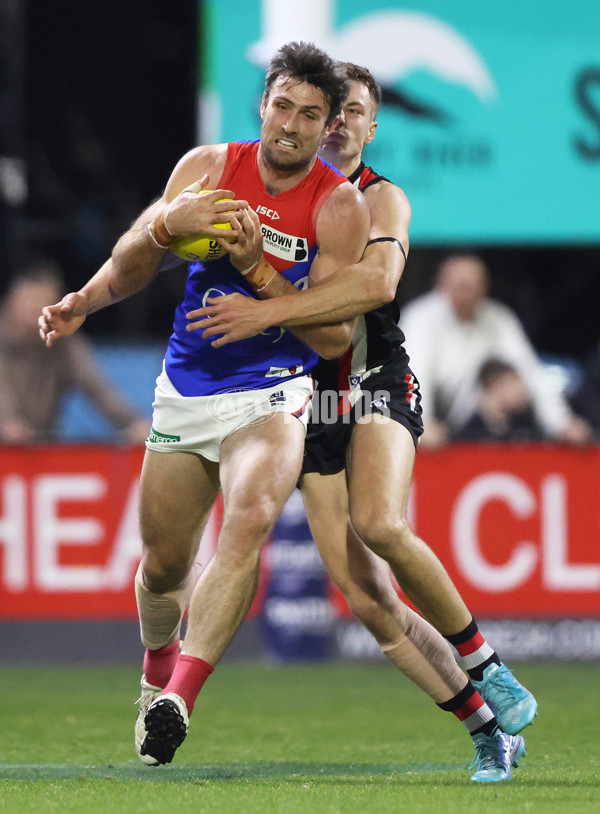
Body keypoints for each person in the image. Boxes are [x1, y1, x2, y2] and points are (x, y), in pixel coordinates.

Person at [187, 63, 532, 782]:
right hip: (301, 399)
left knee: (379, 522)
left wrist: (263, 299)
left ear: (372, 128)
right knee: (370, 601)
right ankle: (487, 727)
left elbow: (374, 286)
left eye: (353, 112)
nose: (338, 121)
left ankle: (487, 663)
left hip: (372, 380)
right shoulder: (277, 193)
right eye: (327, 110)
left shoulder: (381, 198)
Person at [39, 42, 373, 768]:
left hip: (274, 390)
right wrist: (93, 293)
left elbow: (330, 334)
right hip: (187, 390)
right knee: (162, 569)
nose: (291, 124)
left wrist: (258, 268)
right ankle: (157, 667)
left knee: (249, 520)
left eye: (310, 114)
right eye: (283, 105)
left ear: (328, 129)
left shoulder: (339, 206)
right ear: (263, 106)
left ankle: (178, 698)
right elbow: (138, 256)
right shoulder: (209, 168)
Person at [399, 254, 593, 449]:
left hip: (478, 431)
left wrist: (561, 423)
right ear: (441, 285)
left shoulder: (499, 319)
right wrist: (420, 423)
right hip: (432, 429)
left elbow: (530, 372)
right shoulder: (420, 318)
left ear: (484, 287)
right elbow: (413, 374)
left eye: (473, 286)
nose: (467, 293)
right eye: (461, 285)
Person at [0, 260, 148, 443]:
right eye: (29, 303)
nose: (35, 313)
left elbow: (97, 387)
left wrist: (132, 423)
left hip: (39, 446)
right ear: (9, 303)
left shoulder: (64, 344)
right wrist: (6, 422)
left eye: (43, 304)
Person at [452, 358, 546, 442]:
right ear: (493, 387)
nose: (521, 390)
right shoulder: (468, 435)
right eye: (511, 383)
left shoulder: (526, 427)